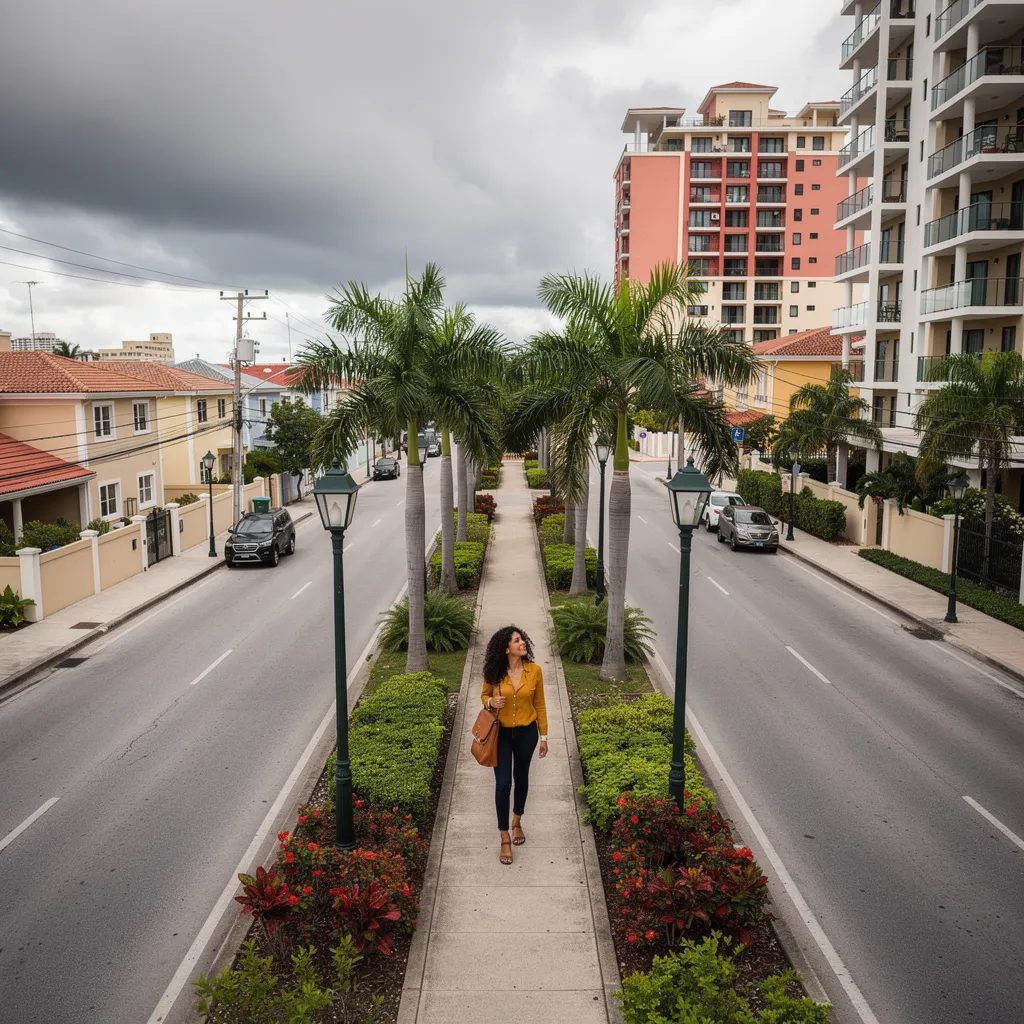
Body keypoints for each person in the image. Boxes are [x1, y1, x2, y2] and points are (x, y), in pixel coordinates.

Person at [481, 625, 548, 865]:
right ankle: (504, 836)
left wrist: (544, 736)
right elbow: (484, 696)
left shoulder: (535, 670)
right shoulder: (494, 671)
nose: (522, 643)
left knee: (521, 778)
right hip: (500, 734)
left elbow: (540, 704)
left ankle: (517, 821)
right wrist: (491, 702)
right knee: (502, 784)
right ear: (506, 648)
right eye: (517, 640)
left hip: (526, 733)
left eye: (522, 639)